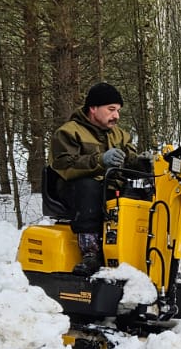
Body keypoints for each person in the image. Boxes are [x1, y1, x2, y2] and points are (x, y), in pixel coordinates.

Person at [50, 82, 141, 273]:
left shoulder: (121, 135)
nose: (116, 115)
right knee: (88, 187)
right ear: (93, 108)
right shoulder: (69, 132)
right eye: (111, 109)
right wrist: (101, 160)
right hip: (75, 189)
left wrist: (145, 163)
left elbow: (131, 161)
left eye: (118, 110)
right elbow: (64, 165)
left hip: (110, 186)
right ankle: (90, 252)